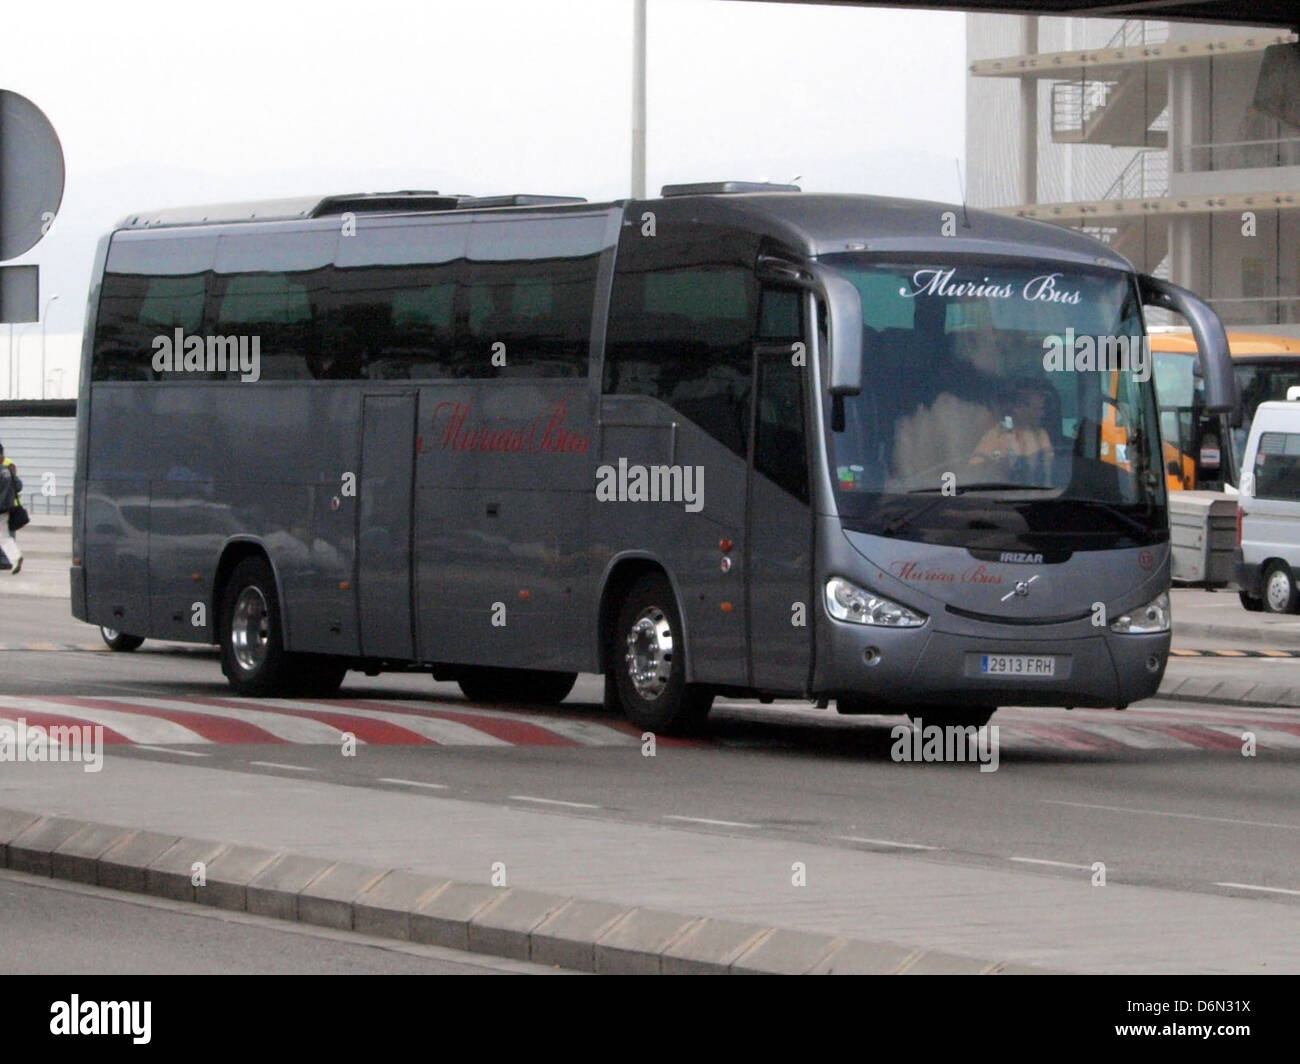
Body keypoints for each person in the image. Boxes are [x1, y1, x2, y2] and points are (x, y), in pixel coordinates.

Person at [971, 382, 1054, 485]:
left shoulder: (1041, 435)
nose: (1042, 414)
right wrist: (997, 461)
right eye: (1038, 409)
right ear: (1018, 409)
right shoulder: (997, 434)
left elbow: (1048, 473)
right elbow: (975, 467)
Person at [0, 442, 24, 574]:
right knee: (3, 536)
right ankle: (15, 556)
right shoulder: (7, 469)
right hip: (6, 508)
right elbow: (19, 486)